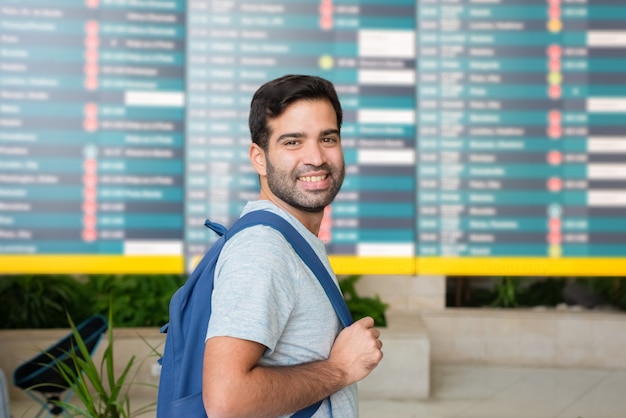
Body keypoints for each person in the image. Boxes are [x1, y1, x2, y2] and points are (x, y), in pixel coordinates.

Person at [202, 74, 383, 418]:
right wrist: (340, 369)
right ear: (258, 158)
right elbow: (226, 400)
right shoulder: (263, 250)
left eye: (327, 138)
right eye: (292, 142)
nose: (315, 157)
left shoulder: (290, 239)